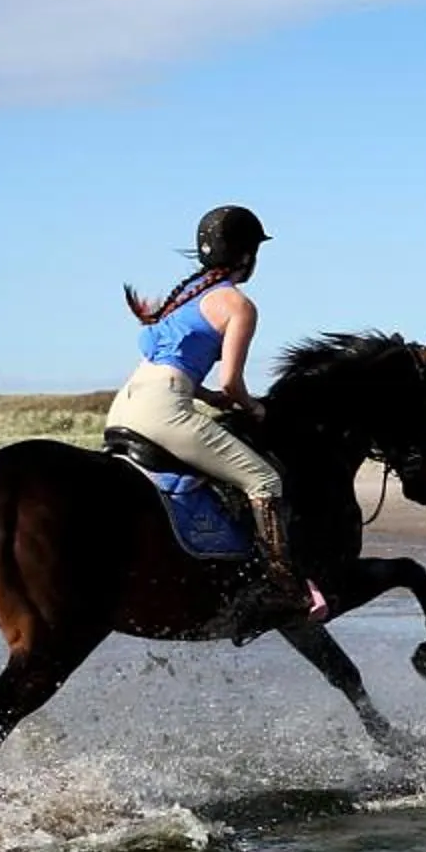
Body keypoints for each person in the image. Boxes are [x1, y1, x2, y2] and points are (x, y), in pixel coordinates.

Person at [110, 204, 324, 629]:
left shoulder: (184, 300)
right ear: (247, 256)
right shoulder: (238, 305)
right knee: (264, 480)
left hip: (125, 405)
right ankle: (282, 589)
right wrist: (253, 407)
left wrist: (207, 395)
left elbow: (177, 368)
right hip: (165, 409)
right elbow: (232, 383)